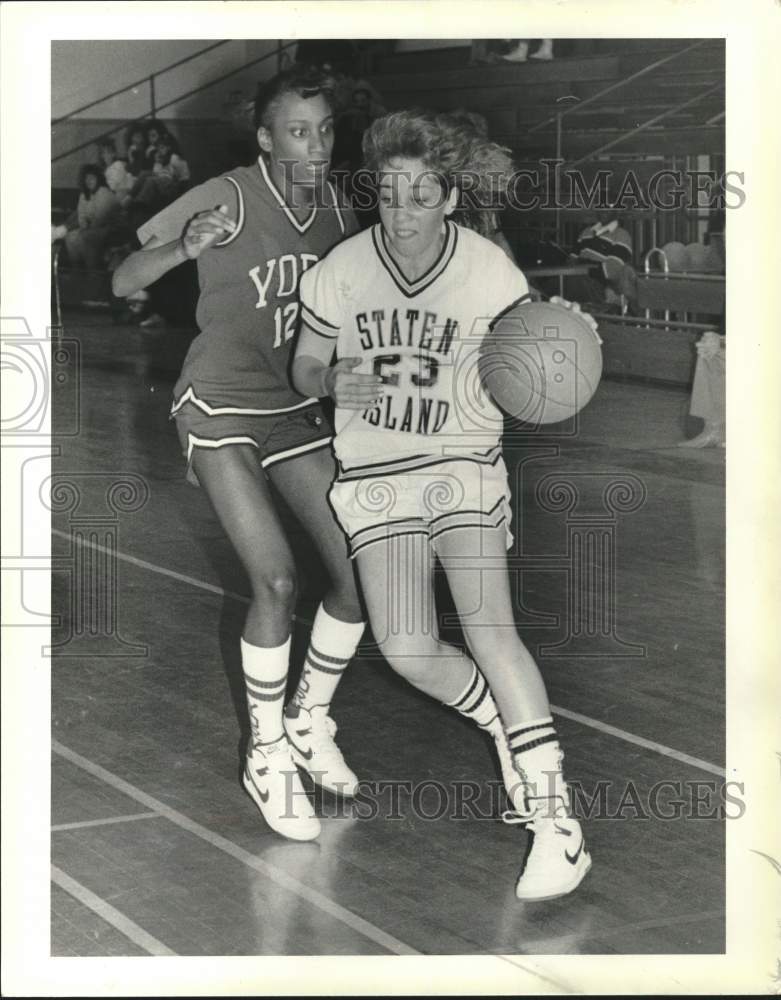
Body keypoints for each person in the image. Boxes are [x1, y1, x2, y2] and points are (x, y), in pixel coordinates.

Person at [292, 109, 592, 900]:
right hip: (376, 476)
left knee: (491, 629)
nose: (403, 209)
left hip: (461, 464)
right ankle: (503, 724)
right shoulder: (341, 268)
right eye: (389, 193)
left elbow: (537, 349)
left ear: (449, 198)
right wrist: (326, 381)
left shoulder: (490, 271)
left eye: (421, 194)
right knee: (406, 649)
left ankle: (556, 821)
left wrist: (564, 339)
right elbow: (304, 363)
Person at [112, 66, 367, 843]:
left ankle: (306, 719)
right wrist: (182, 247)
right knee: (277, 580)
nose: (315, 146)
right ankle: (265, 758)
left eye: (324, 131)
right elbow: (125, 277)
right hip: (219, 403)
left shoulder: (337, 205)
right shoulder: (223, 196)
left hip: (296, 407)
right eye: (297, 131)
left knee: (364, 576)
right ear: (263, 136)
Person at [63, 164, 123, 270]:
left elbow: (100, 219)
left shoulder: (105, 193)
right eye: (86, 179)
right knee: (71, 237)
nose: (89, 181)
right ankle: (78, 270)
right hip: (93, 228)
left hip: (112, 229)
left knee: (85, 237)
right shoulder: (84, 195)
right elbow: (81, 216)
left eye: (92, 178)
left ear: (98, 178)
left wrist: (86, 225)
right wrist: (84, 224)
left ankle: (93, 270)